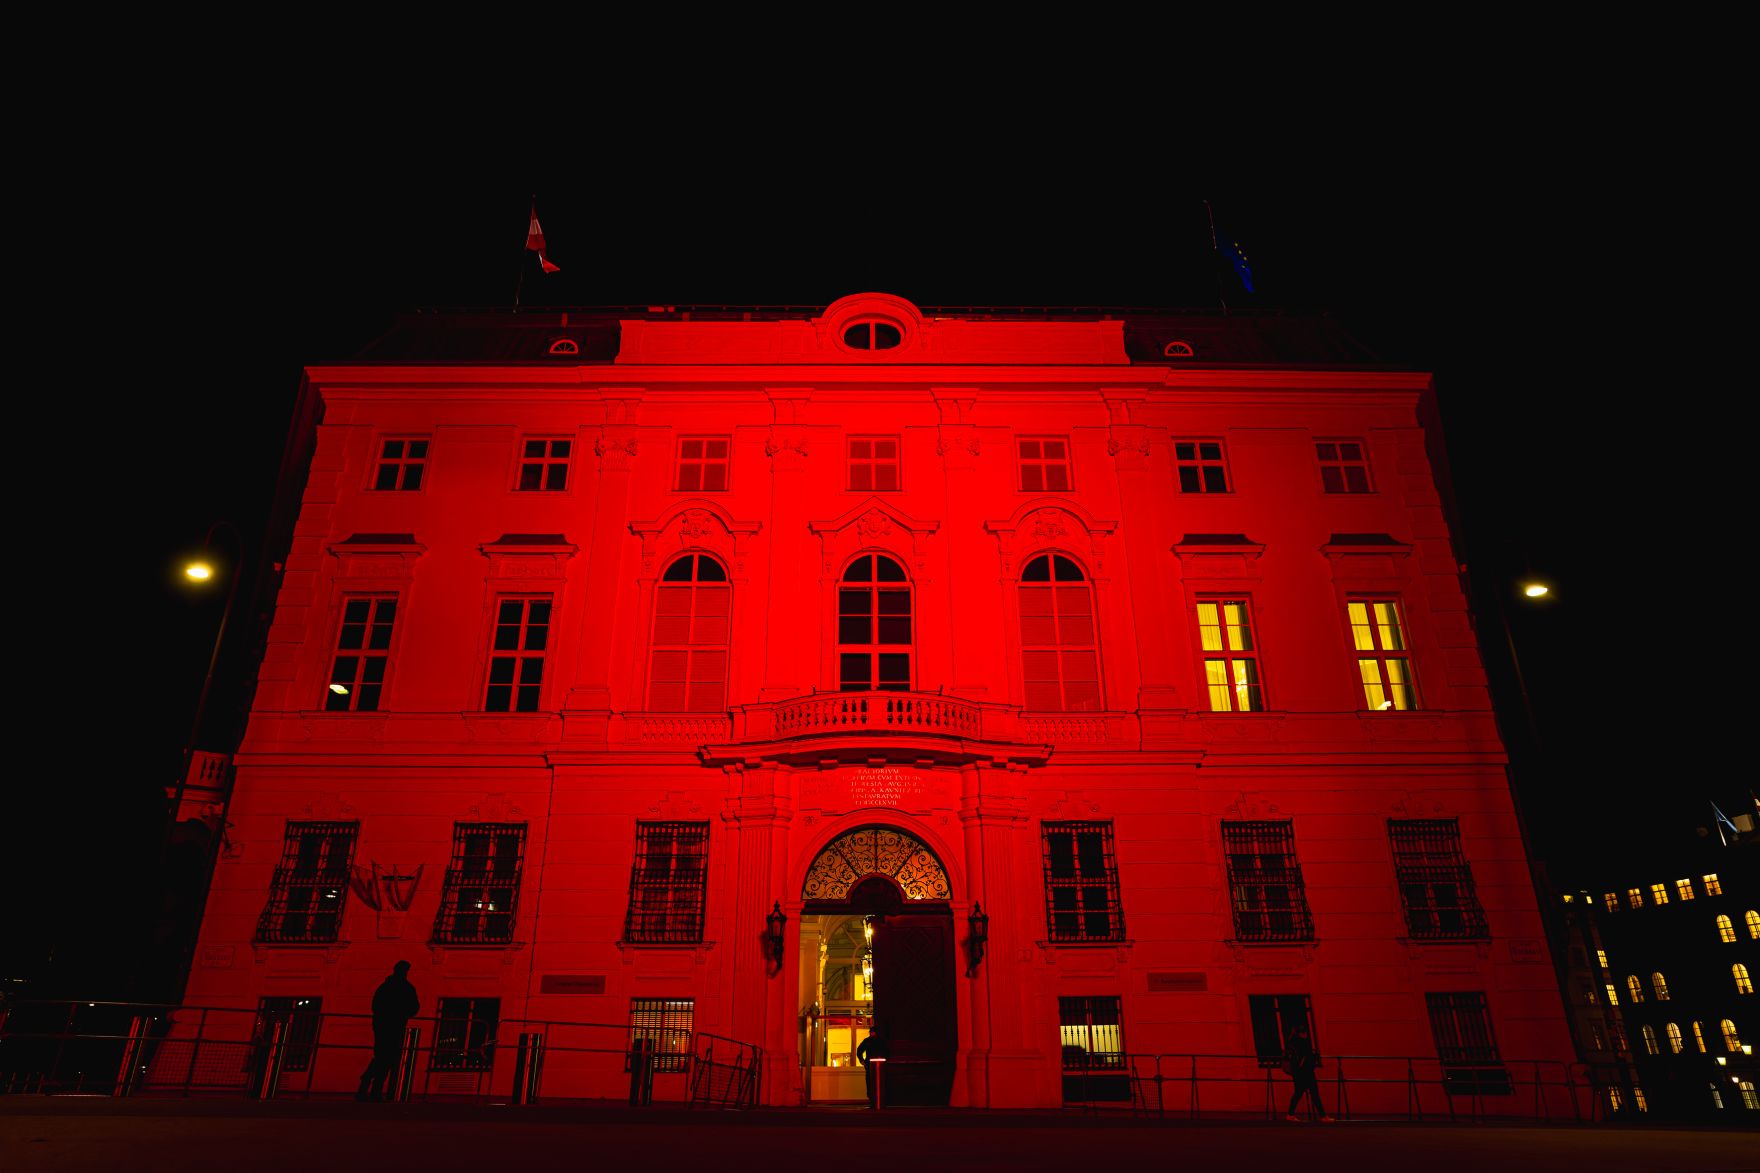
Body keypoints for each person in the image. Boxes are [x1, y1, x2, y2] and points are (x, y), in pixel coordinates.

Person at [357, 960, 420, 1102]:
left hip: (383, 1026)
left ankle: (369, 1085)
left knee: (382, 1056)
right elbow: (414, 1008)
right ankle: (373, 1088)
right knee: (387, 1058)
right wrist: (402, 1013)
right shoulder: (406, 988)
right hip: (394, 1026)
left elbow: (376, 1006)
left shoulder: (386, 987)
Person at [1282, 1024, 1331, 1121]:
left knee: (1298, 1093)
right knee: (1314, 1093)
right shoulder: (1304, 1043)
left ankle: (1290, 1114)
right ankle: (1323, 1116)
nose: (1306, 1034)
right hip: (1307, 1071)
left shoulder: (1291, 1043)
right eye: (1304, 1032)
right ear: (1301, 1033)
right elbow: (1308, 1055)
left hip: (1297, 1072)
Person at [856, 1021, 890, 1109]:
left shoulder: (867, 1041)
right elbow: (887, 1052)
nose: (871, 1033)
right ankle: (879, 1101)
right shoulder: (881, 1041)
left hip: (870, 1065)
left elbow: (859, 1050)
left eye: (871, 1032)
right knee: (878, 1082)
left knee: (870, 1082)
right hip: (879, 1065)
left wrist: (862, 1060)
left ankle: (872, 1100)